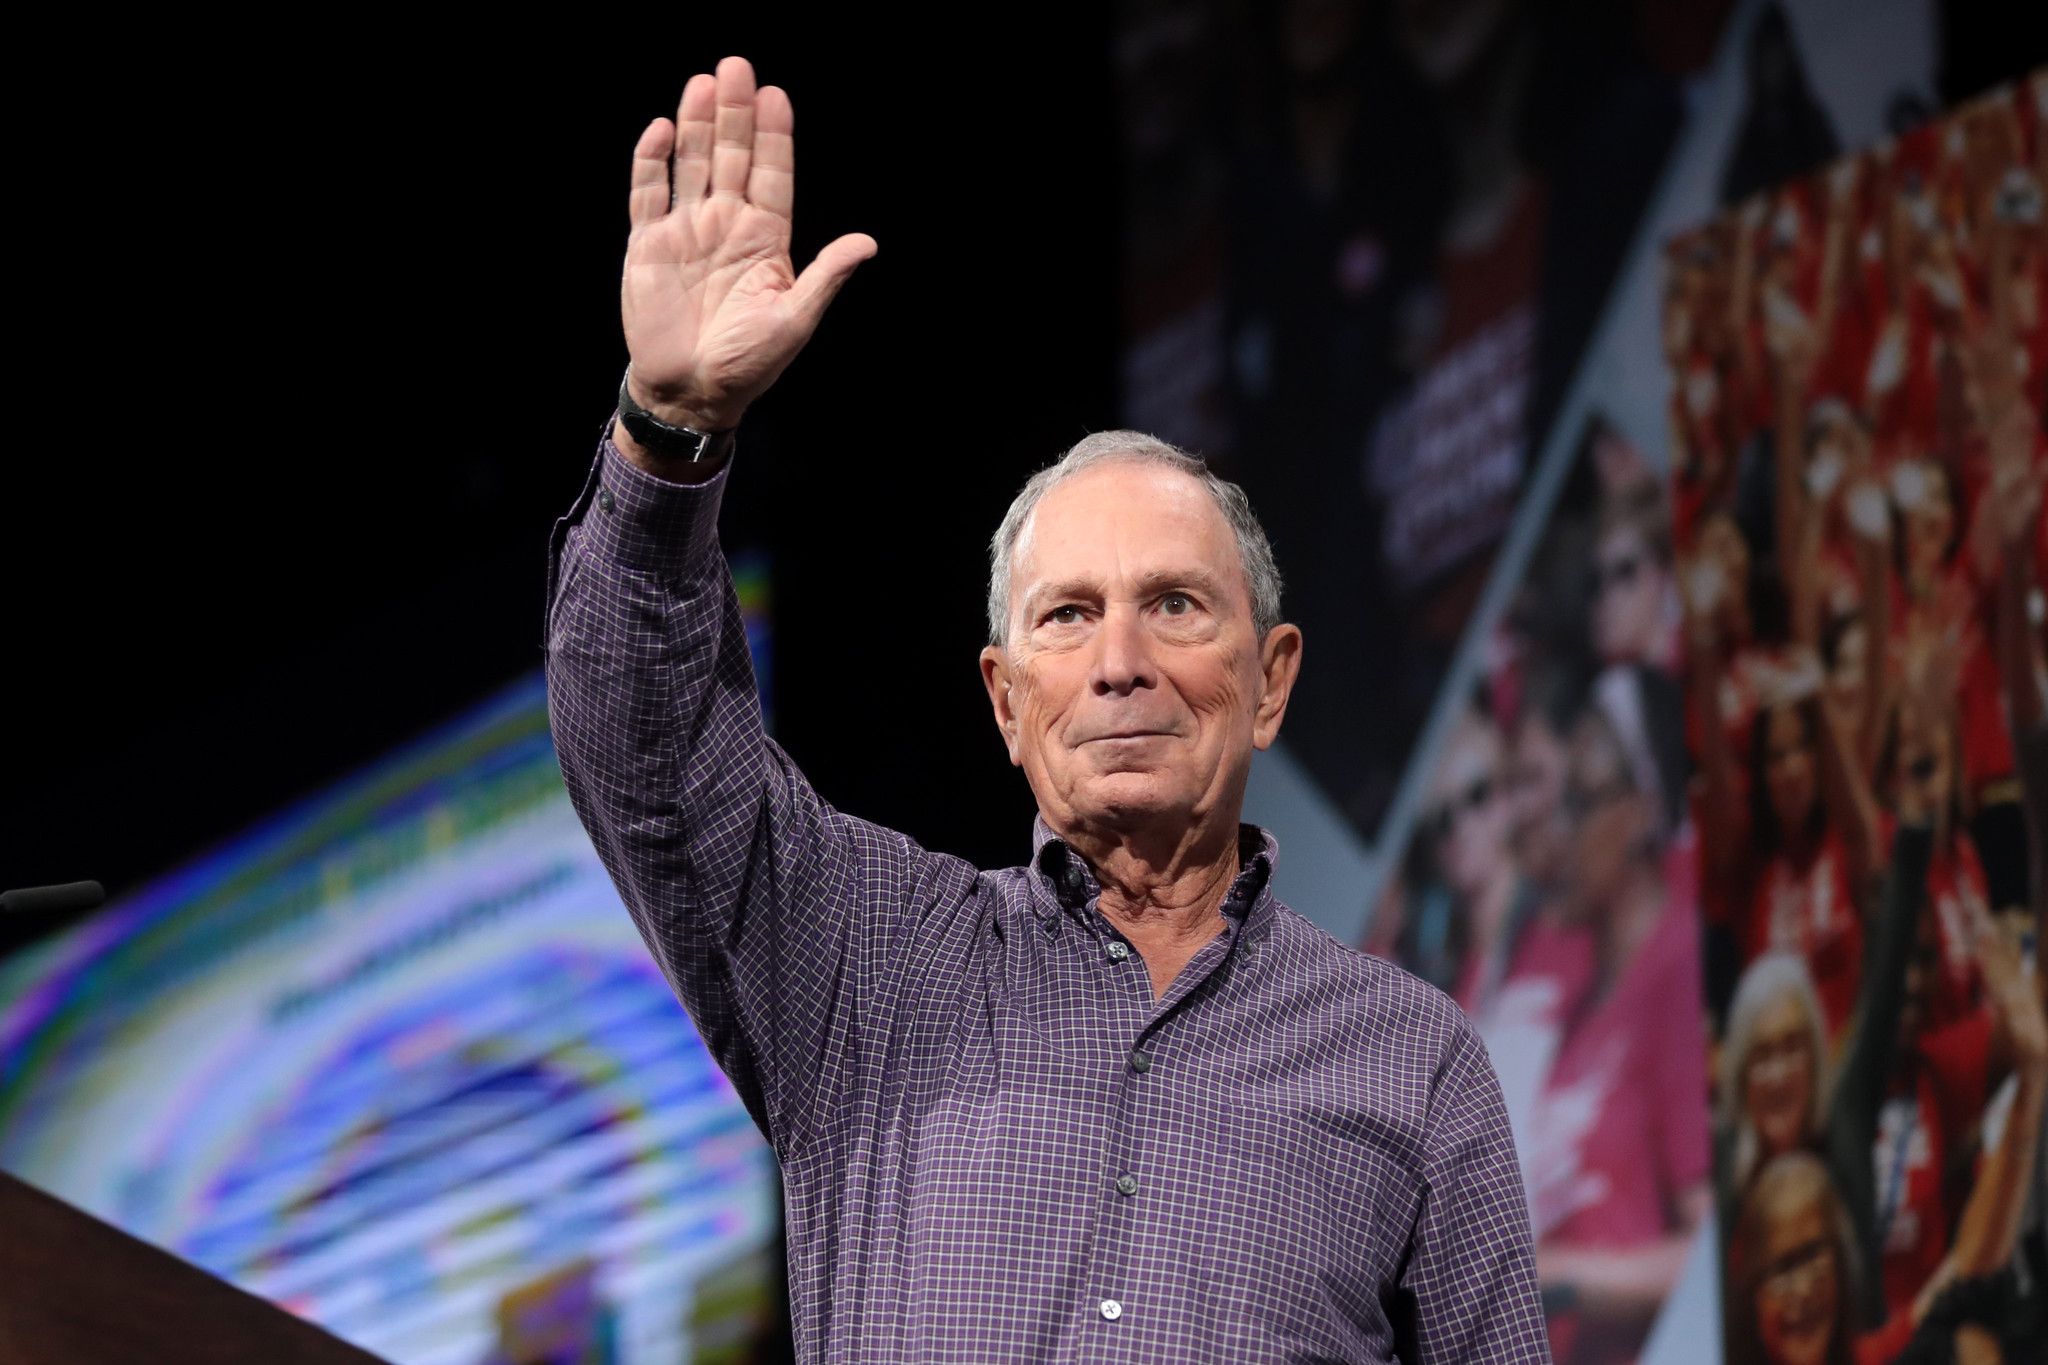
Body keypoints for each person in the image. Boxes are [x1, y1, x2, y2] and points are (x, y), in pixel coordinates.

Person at [544, 57, 1548, 1364]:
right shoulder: (864, 959)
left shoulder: (1411, 1065)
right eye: (1068, 617)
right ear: (1005, 701)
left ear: (1273, 680)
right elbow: (646, 755)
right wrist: (668, 426)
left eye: (1177, 606)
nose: (1121, 660)